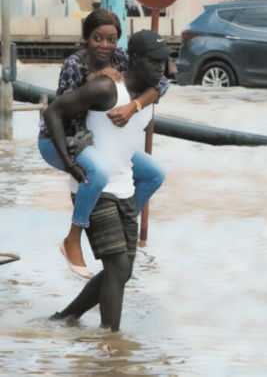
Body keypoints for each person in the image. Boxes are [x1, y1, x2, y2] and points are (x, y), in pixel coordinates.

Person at [45, 29, 175, 331]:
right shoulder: (106, 89)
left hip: (125, 186)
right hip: (94, 186)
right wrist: (69, 162)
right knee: (116, 266)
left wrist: (137, 106)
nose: (161, 69)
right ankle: (111, 343)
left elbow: (161, 85)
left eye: (164, 62)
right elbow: (53, 111)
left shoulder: (149, 94)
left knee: (124, 269)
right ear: (135, 59)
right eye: (154, 62)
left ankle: (65, 319)